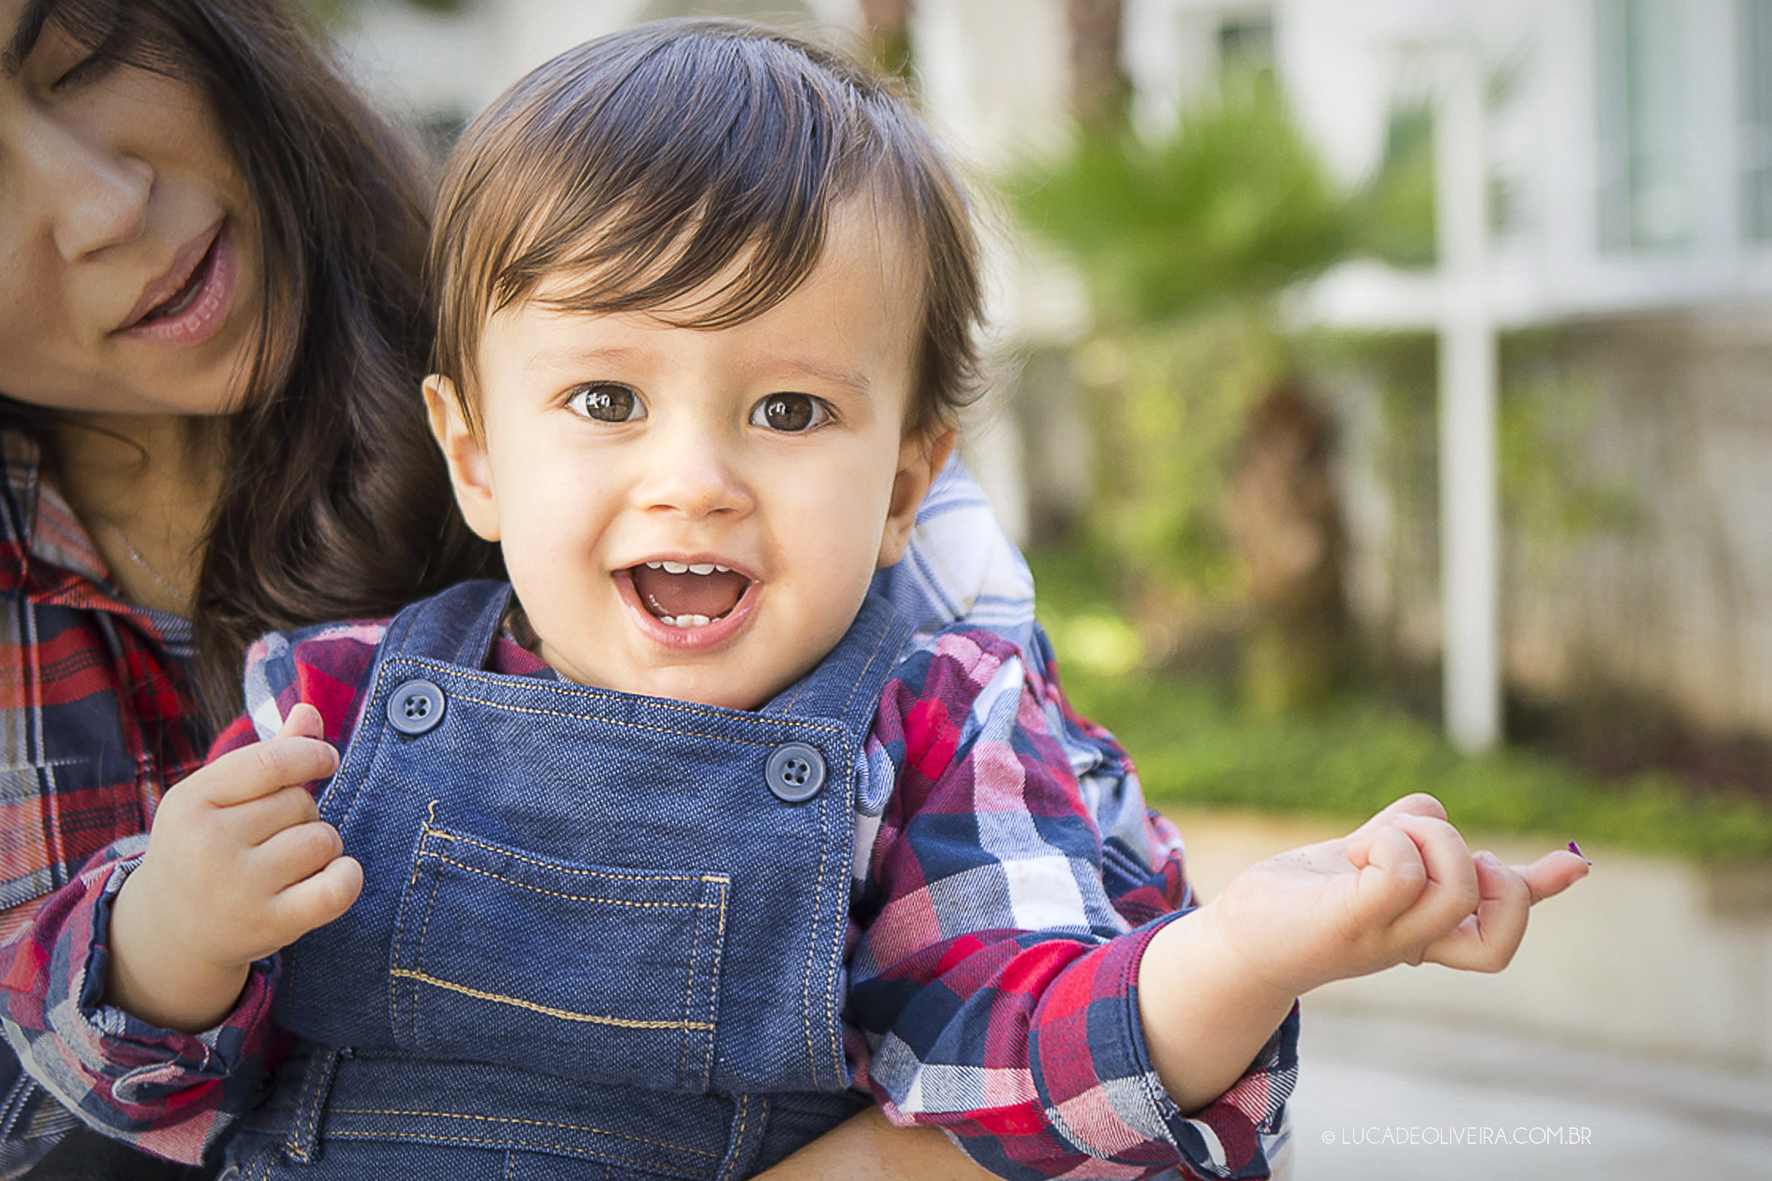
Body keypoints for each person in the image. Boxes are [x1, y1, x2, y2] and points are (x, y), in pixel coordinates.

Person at [2, 18, 1586, 1181]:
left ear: (908, 481)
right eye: (609, 401)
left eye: (786, 412)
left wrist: (1243, 951)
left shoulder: (942, 718)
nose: (696, 479)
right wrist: (160, 947)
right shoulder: (326, 710)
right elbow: (145, 1111)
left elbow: (1024, 1038)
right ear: (473, 456)